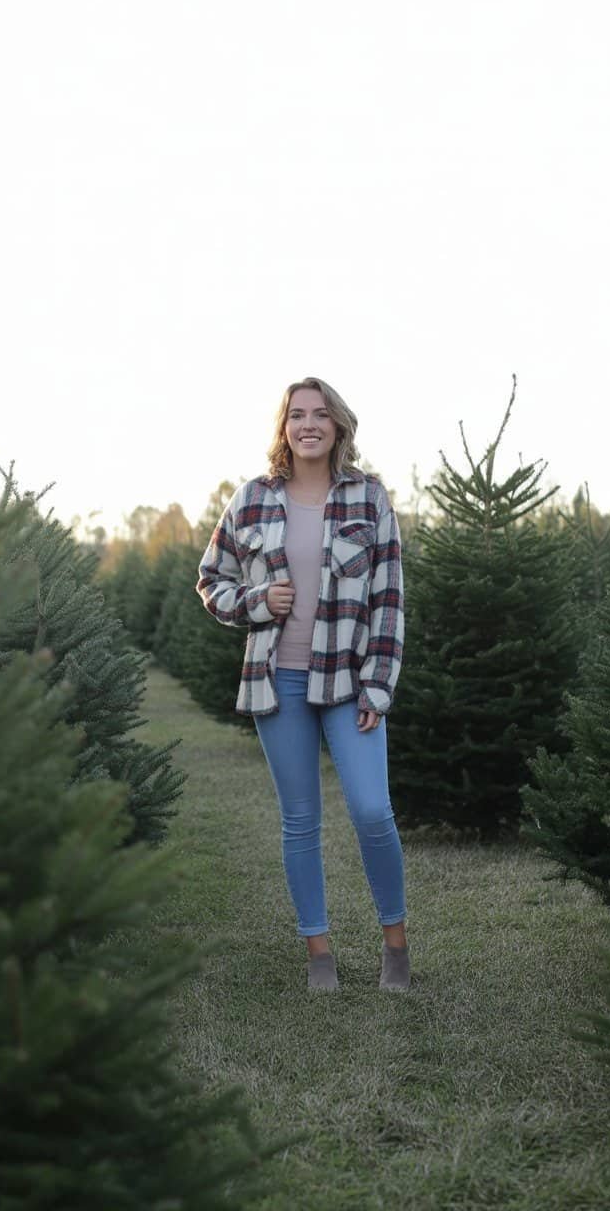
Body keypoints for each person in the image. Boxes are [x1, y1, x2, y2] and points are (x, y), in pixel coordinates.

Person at [196, 376, 409, 993]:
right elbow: (212, 582)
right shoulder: (253, 499)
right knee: (300, 820)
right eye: (296, 415)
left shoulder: (369, 498)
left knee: (373, 810)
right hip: (277, 682)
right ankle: (319, 954)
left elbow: (390, 599)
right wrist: (259, 600)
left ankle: (395, 946)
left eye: (320, 414)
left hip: (350, 684)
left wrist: (378, 685)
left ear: (338, 425)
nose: (308, 424)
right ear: (283, 427)